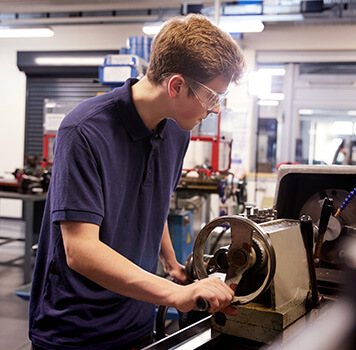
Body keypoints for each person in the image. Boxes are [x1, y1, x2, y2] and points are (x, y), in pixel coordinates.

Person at [29, 13, 246, 350]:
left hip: (137, 319)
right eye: (212, 97)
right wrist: (176, 294)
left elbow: (153, 203)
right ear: (176, 86)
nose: (215, 110)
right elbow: (80, 250)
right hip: (76, 329)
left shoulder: (176, 131)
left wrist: (171, 263)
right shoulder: (84, 131)